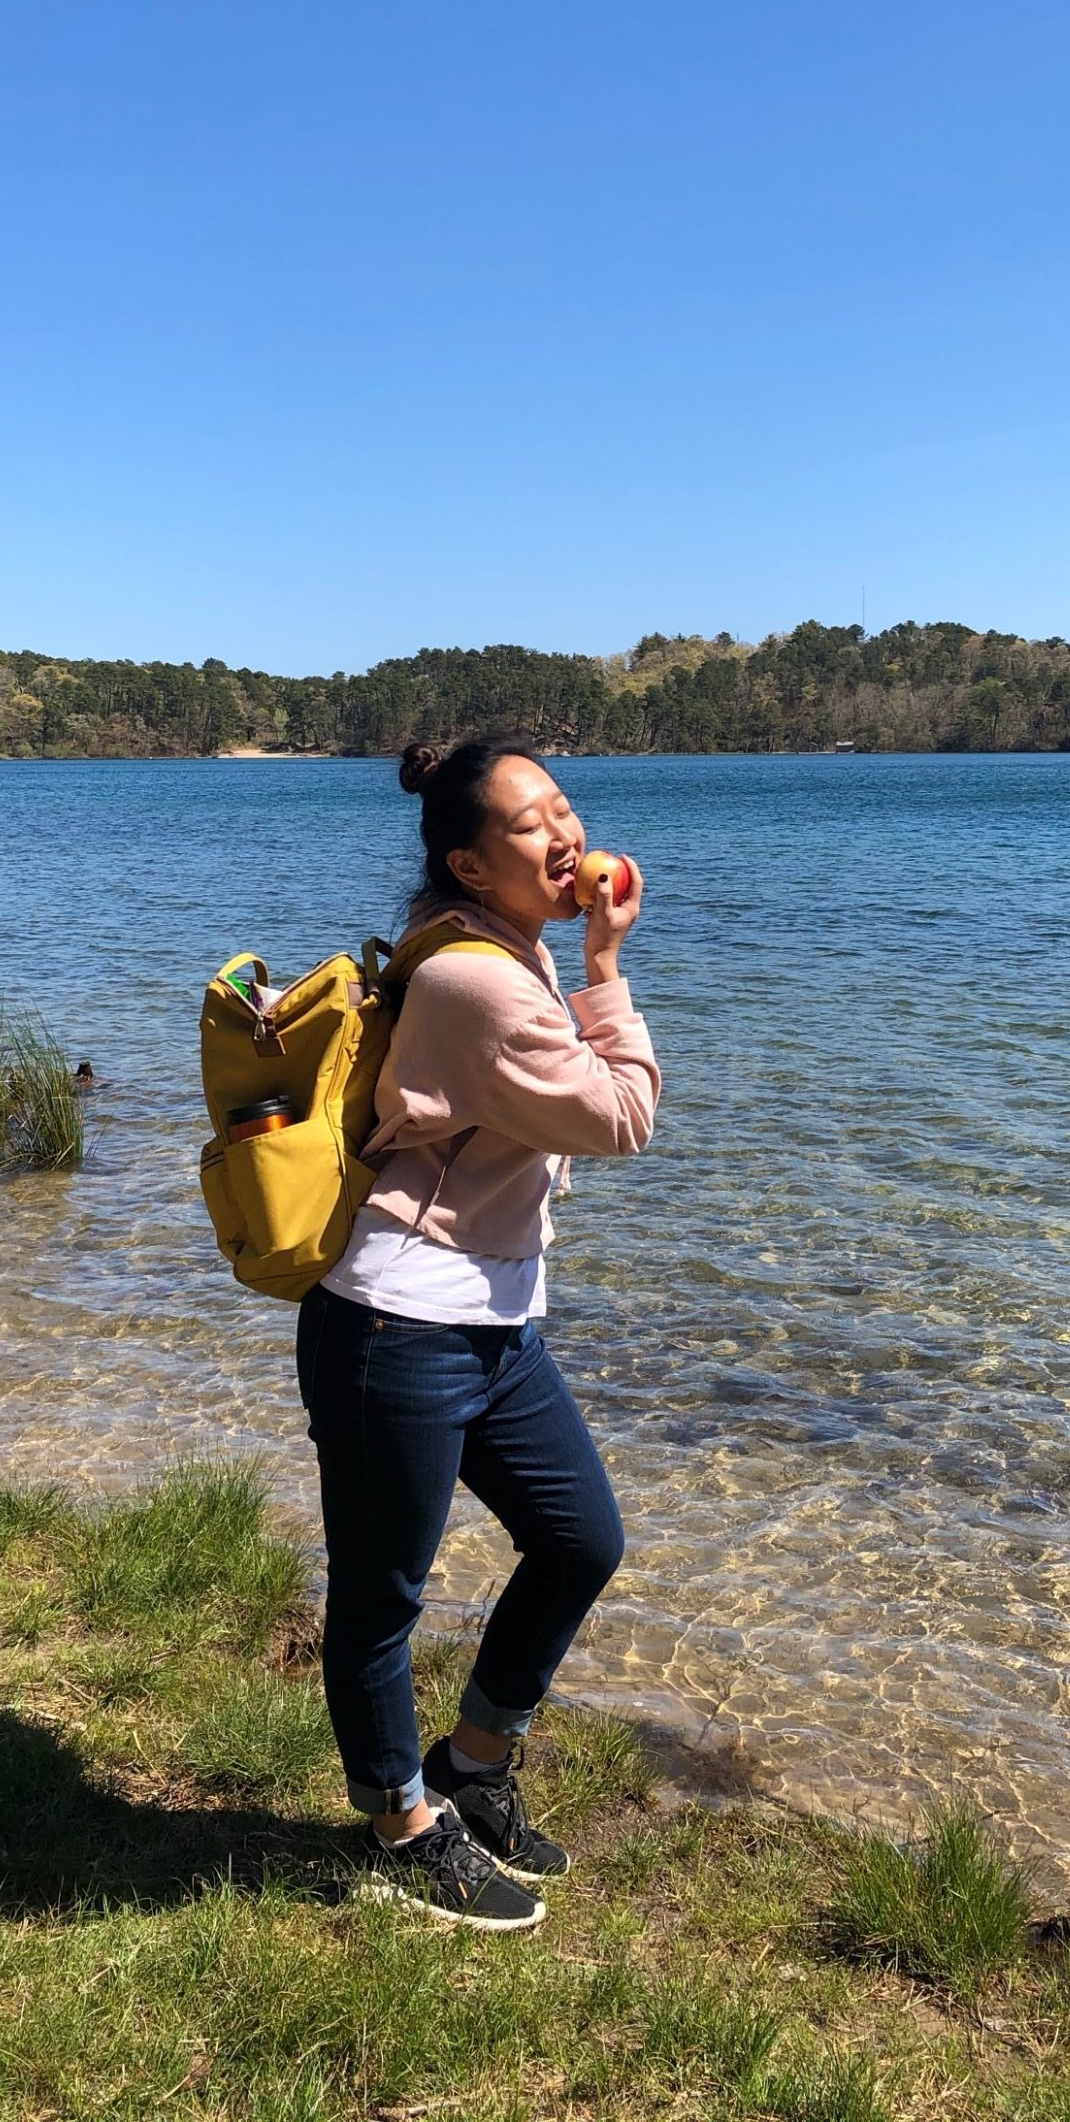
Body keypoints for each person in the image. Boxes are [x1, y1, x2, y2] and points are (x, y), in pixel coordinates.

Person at [297, 737, 660, 1931]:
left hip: (495, 1318)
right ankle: (403, 1820)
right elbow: (623, 1117)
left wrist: (579, 950)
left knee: (579, 1539)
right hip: (396, 1325)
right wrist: (609, 966)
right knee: (383, 1594)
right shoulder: (486, 981)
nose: (566, 834)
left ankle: (475, 1762)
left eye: (565, 807)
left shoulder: (501, 942)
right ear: (467, 861)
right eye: (528, 823)